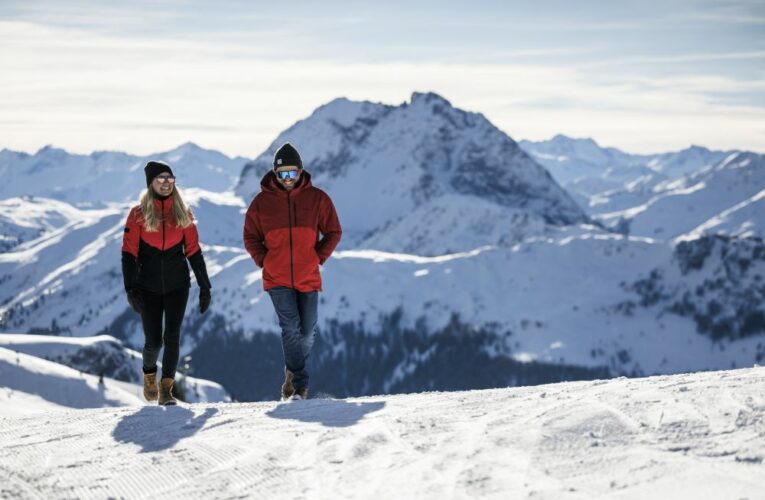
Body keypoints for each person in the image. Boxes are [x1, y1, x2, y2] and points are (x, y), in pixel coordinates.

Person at [243, 143, 342, 400]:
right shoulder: (261, 203)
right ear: (275, 174)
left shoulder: (317, 199)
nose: (288, 179)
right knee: (290, 328)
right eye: (282, 174)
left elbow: (334, 232)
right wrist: (265, 260)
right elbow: (250, 236)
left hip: (308, 275)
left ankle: (291, 369)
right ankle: (299, 385)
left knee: (307, 331)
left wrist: (317, 257)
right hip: (277, 278)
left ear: (300, 172)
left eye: (292, 173)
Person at [121, 161, 212, 406]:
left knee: (172, 336)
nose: (165, 183)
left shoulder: (183, 212)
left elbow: (193, 251)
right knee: (154, 341)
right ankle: (149, 374)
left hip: (177, 285)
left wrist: (205, 286)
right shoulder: (138, 214)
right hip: (147, 287)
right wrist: (130, 288)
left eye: (169, 178)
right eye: (160, 179)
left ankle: (166, 390)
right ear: (150, 183)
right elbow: (129, 253)